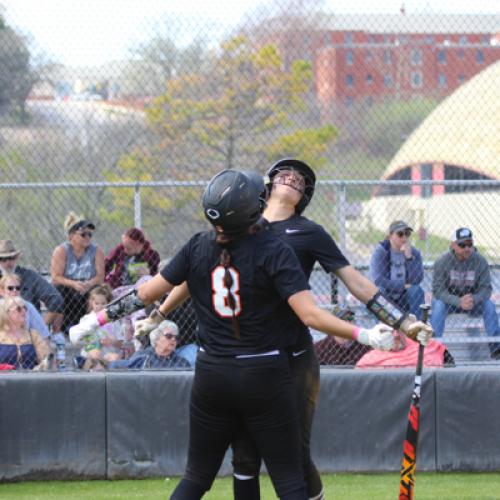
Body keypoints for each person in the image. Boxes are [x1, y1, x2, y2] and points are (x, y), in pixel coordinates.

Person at [70, 169, 429, 500]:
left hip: (212, 373)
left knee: (196, 477)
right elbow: (309, 314)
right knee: (287, 477)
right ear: (256, 204)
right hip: (265, 371)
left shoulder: (199, 244)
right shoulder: (272, 248)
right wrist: (365, 334)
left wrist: (95, 319)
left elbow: (150, 290)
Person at [430, 227, 500, 359]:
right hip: (449, 303)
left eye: (470, 244)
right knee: (438, 304)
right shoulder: (442, 261)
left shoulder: (480, 261)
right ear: (453, 245)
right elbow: (438, 291)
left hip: (472, 303)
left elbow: (486, 289)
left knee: (489, 305)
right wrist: (458, 301)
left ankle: (496, 347)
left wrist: (473, 299)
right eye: (462, 245)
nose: (467, 248)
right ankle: (434, 346)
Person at [50, 212, 105, 332]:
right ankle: (57, 332)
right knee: (58, 290)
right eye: (83, 234)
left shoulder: (96, 251)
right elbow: (56, 277)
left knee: (97, 292)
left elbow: (100, 276)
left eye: (90, 234)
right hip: (68, 290)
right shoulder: (62, 251)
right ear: (71, 236)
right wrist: (74, 284)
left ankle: (91, 329)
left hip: (87, 288)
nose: (88, 237)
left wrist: (88, 284)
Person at [0, 239, 64, 333]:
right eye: (3, 259)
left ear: (17, 258)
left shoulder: (29, 276)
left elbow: (56, 299)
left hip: (27, 328)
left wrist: (40, 327)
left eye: (11, 258)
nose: (8, 263)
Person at [369, 220, 425, 319]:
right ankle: (382, 329)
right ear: (390, 236)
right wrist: (403, 285)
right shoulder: (381, 251)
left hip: (405, 296)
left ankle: (416, 327)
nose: (404, 238)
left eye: (407, 234)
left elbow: (417, 279)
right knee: (379, 291)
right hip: (387, 293)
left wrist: (408, 257)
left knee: (416, 290)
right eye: (400, 234)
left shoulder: (414, 253)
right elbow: (378, 280)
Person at [69, 284, 125, 365]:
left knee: (115, 358)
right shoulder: (86, 319)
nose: (100, 306)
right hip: (92, 354)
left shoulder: (113, 320)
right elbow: (81, 340)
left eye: (103, 303)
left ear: (109, 303)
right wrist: (92, 347)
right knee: (93, 356)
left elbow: (120, 343)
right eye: (97, 303)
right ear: (91, 303)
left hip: (108, 354)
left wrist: (112, 342)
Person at [109, 320, 190, 369]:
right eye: (169, 336)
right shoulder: (142, 357)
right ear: (157, 338)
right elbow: (119, 366)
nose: (173, 339)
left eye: (176, 337)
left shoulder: (182, 363)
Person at [0, 296, 50, 369]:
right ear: (6, 313)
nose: (24, 311)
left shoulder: (33, 334)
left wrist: (40, 367)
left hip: (30, 377)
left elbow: (46, 359)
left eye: (25, 308)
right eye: (19, 309)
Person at [0, 274, 51, 340]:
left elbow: (44, 334)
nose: (15, 290)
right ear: (1, 291)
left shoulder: (28, 306)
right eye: (10, 288)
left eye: (18, 288)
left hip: (23, 344)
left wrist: (44, 349)